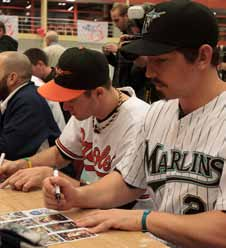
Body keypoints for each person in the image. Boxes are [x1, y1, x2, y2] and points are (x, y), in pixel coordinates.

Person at [40, 1, 226, 247]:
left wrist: (144, 219)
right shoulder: (158, 112)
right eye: (147, 61)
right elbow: (127, 182)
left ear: (203, 56)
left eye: (160, 61)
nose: (148, 73)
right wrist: (77, 195)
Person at [0, 47, 151, 210]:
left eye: (70, 100)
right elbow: (59, 154)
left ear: (98, 93)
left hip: (130, 217)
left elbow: (121, 196)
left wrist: (52, 175)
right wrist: (23, 164)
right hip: (95, 206)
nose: (64, 107)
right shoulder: (87, 110)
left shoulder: (139, 121)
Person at [0, 51, 60, 161]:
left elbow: (6, 151)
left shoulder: (28, 102)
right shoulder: (19, 96)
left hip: (49, 174)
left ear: (12, 78)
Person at [24, 48, 70, 124]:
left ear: (40, 64)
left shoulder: (60, 81)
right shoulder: (39, 82)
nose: (27, 72)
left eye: (29, 68)